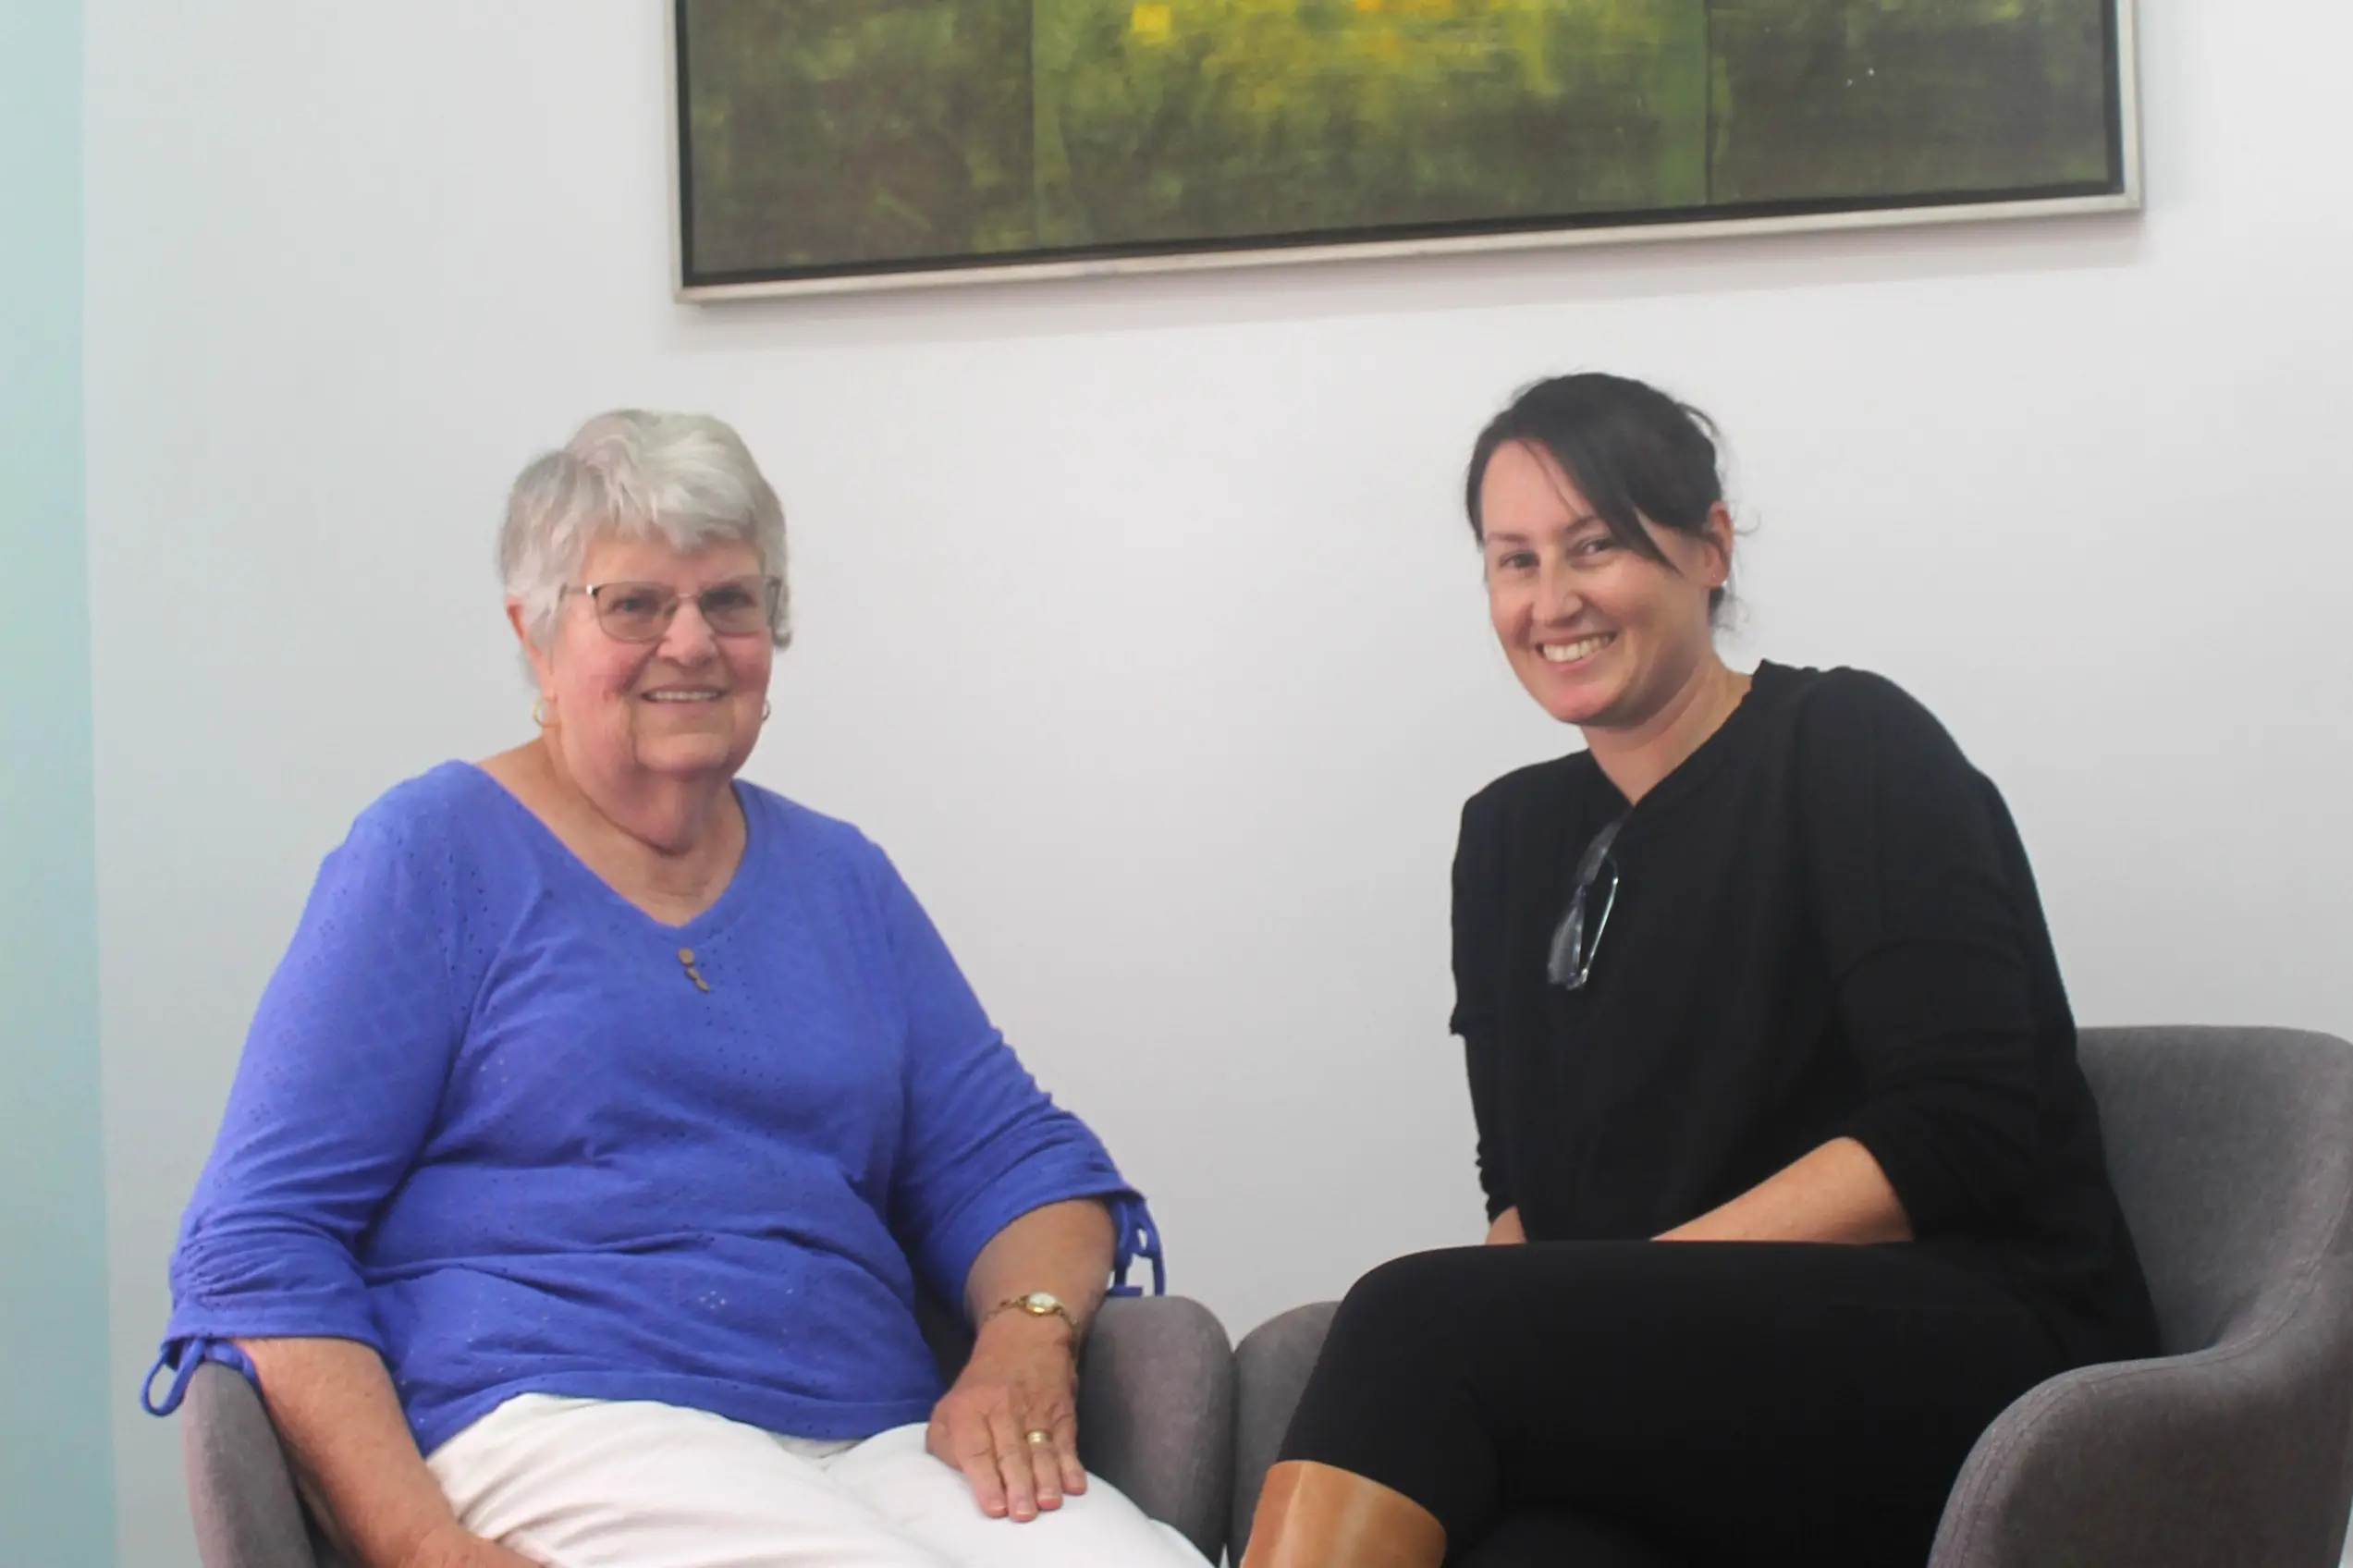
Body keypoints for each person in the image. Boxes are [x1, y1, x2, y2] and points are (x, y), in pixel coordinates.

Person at [145, 410, 1207, 1568]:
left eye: (732, 602)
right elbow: (258, 1237)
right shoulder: (430, 855)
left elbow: (1016, 1167)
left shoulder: (841, 878)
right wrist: (421, 1546)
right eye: (635, 603)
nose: (692, 642)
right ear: (537, 634)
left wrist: (1024, 1336)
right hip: (564, 1417)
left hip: (875, 1433)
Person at [1242, 374, 2160, 1568]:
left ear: (1710, 548)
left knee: (1407, 1318)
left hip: (1968, 1346)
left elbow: (1960, 1125)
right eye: (1512, 561)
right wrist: (1551, 1329)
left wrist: (1594, 1308)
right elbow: (1522, 1195)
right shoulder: (1508, 840)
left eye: (1595, 546)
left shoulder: (1845, 745)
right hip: (1690, 1388)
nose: (1551, 600)